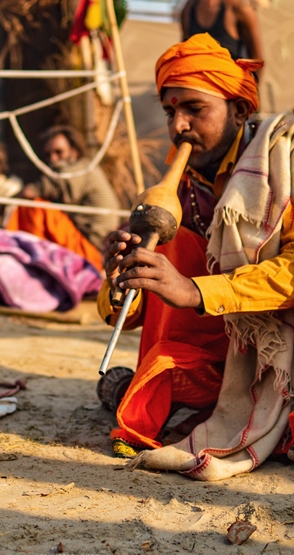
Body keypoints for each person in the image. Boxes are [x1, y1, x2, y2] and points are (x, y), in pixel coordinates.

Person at [97, 32, 294, 481]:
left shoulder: (286, 162)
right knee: (169, 243)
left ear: (240, 110)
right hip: (224, 356)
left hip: (282, 347)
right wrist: (120, 280)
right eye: (171, 111)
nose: (179, 125)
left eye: (195, 109)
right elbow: (127, 320)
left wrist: (194, 290)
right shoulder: (181, 186)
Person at [7, 125, 121, 271]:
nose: (53, 159)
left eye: (59, 152)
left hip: (92, 252)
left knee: (35, 207)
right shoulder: (82, 170)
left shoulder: (82, 170)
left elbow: (34, 191)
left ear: (74, 152)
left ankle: (28, 263)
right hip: (82, 243)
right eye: (48, 155)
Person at [180, 0, 264, 77]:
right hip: (193, 74)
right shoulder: (189, 7)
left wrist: (253, 89)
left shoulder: (238, 8)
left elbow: (256, 58)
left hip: (226, 77)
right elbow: (184, 51)